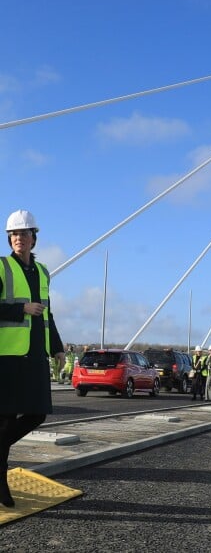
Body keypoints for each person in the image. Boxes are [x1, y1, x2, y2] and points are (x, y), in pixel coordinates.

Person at [0, 210, 65, 508]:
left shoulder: (42, 271)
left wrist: (57, 348)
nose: (18, 239)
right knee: (4, 422)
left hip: (35, 357)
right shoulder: (1, 268)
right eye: (14, 234)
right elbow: (24, 310)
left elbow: (47, 314)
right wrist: (20, 309)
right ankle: (1, 483)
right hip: (7, 357)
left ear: (33, 238)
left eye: (24, 234)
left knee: (37, 413)